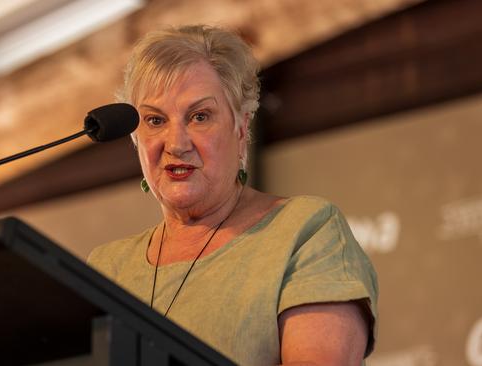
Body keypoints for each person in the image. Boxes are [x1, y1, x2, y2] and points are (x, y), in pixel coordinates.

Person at [87, 24, 378, 366]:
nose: (176, 143)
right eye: (154, 120)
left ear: (241, 128)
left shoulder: (306, 232)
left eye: (199, 116)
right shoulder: (106, 268)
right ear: (134, 138)